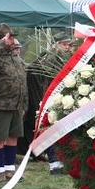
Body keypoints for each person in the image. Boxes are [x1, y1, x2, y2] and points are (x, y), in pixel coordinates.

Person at [0, 24, 28, 181]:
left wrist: (24, 104)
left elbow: (22, 81)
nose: (13, 40)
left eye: (13, 37)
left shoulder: (14, 57)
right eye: (9, 37)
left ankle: (10, 170)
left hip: (15, 104)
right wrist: (0, 45)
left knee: (13, 137)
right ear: (1, 39)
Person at [25, 32, 72, 174]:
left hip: (66, 99)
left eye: (69, 45)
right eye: (64, 45)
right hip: (52, 98)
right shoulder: (49, 56)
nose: (67, 48)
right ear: (55, 45)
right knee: (51, 130)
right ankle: (54, 163)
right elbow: (45, 68)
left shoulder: (68, 57)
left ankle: (63, 162)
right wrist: (55, 52)